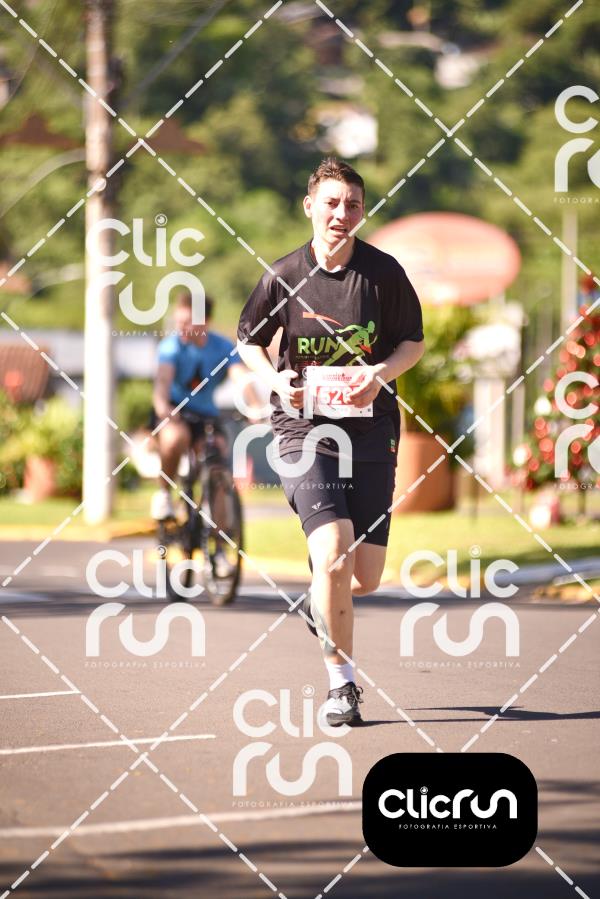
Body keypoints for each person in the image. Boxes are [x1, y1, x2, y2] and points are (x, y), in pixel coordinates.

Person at [236, 157, 425, 726]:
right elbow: (249, 340)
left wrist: (380, 374)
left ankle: (323, 595)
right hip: (303, 430)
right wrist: (275, 381)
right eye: (332, 203)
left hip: (371, 431)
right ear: (310, 207)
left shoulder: (384, 274)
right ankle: (342, 686)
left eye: (353, 205)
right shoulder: (283, 276)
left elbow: (413, 343)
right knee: (335, 553)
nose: (343, 213)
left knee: (362, 578)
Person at [151, 291, 261, 576]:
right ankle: (164, 494)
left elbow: (241, 378)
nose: (182, 328)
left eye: (188, 322)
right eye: (179, 321)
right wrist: (163, 408)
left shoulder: (222, 346)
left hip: (205, 415)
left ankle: (220, 548)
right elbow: (162, 383)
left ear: (205, 322)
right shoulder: (171, 347)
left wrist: (255, 406)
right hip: (175, 410)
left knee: (219, 463)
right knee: (175, 438)